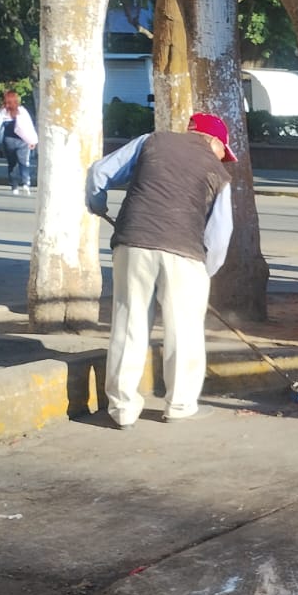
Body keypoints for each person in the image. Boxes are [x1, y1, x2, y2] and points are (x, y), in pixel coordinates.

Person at [86, 112, 235, 428]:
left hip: (132, 243)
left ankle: (122, 409)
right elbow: (220, 235)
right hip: (185, 253)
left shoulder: (150, 141)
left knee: (129, 322)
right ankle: (179, 405)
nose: (225, 157)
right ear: (214, 140)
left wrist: (97, 205)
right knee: (184, 329)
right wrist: (204, 273)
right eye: (225, 149)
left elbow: (100, 172)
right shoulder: (217, 172)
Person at [0, 89, 38, 195]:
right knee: (24, 163)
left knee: (12, 164)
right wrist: (32, 140)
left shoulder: (1, 112)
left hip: (8, 140)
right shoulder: (22, 110)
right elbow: (29, 125)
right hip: (22, 140)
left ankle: (14, 186)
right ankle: (26, 184)